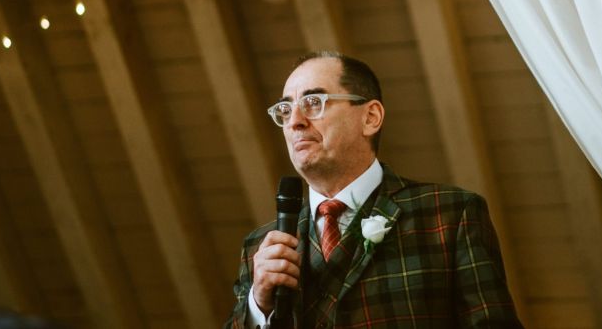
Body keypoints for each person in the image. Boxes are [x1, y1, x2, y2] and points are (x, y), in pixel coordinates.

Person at [224, 51, 522, 328]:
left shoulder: (451, 214)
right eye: (285, 110)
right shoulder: (261, 247)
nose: (295, 122)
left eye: (314, 103)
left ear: (370, 117)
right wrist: (259, 306)